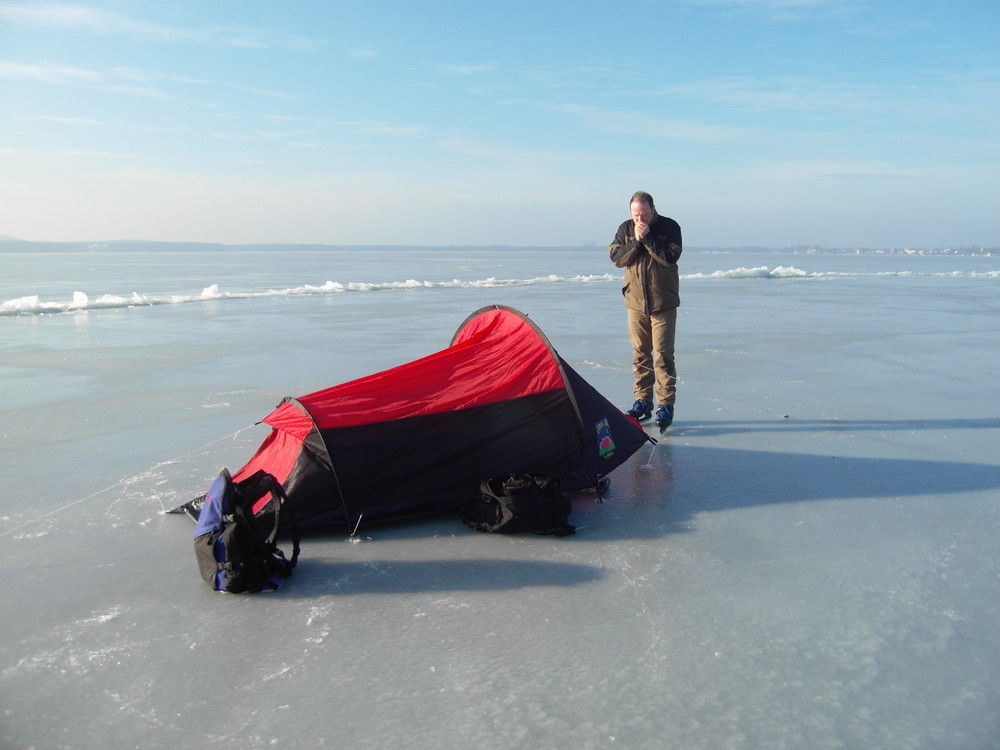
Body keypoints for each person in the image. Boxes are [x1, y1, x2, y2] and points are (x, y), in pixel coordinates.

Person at [609, 191, 682, 428]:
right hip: (636, 303)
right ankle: (643, 400)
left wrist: (648, 238)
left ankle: (665, 404)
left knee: (662, 354)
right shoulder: (626, 228)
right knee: (640, 353)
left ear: (653, 209)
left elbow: (669, 257)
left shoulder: (669, 227)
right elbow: (617, 258)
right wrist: (636, 240)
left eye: (644, 214)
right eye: (636, 214)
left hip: (663, 303)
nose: (640, 219)